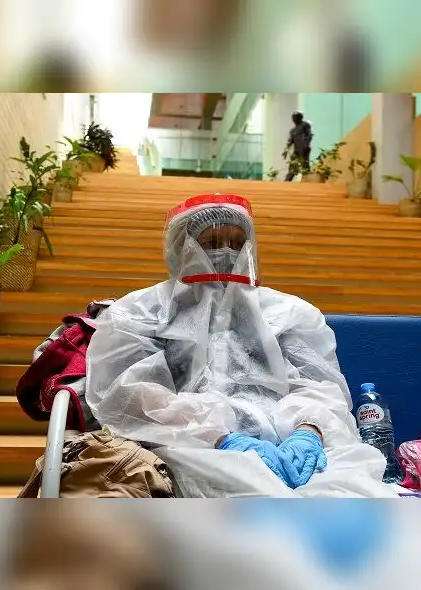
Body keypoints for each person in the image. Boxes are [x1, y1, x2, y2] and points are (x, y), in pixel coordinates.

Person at [85, 194, 398, 497]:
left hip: (292, 446)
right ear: (181, 248)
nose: (226, 252)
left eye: (237, 242)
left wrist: (309, 431)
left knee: (354, 493)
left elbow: (318, 384)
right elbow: (128, 396)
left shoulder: (287, 313)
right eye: (210, 243)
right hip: (190, 446)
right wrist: (218, 437)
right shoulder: (140, 312)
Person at [283, 111, 313, 181]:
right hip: (296, 150)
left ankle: (308, 181)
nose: (294, 119)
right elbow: (290, 141)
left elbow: (310, 135)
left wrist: (306, 144)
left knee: (305, 166)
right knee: (293, 166)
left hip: (304, 149)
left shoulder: (305, 125)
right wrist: (286, 150)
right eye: (293, 117)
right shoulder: (292, 131)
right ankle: (287, 180)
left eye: (296, 117)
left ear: (300, 117)